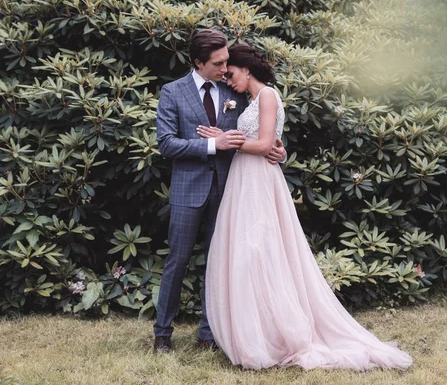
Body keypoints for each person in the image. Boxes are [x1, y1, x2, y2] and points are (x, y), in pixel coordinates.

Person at [197, 43, 413, 370]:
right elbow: (267, 144)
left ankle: (278, 332)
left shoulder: (267, 96)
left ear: (246, 69)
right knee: (247, 254)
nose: (229, 80)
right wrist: (234, 139)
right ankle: (255, 331)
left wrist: (231, 141)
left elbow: (268, 143)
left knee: (259, 250)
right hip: (245, 181)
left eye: (232, 73)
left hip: (259, 182)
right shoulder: (253, 100)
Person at [153, 29, 286, 352]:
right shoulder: (173, 92)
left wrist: (281, 152)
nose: (226, 68)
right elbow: (167, 144)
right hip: (189, 189)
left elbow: (262, 130)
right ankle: (162, 334)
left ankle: (209, 334)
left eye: (227, 61)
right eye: (218, 63)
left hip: (232, 189)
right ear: (199, 63)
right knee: (178, 259)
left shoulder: (236, 90)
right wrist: (213, 144)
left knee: (221, 262)